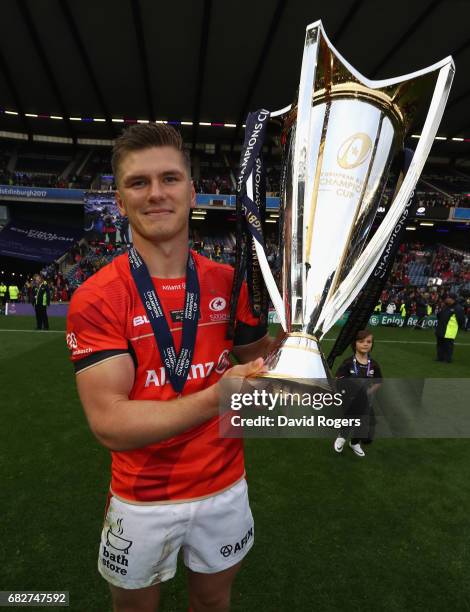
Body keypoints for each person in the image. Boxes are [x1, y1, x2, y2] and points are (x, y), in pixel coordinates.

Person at [66, 123, 271, 612]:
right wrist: (216, 397)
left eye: (170, 178)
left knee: (213, 603)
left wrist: (300, 337)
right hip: (141, 500)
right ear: (120, 200)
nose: (156, 193)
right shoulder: (97, 297)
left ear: (192, 191)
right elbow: (111, 423)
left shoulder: (230, 281)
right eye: (139, 183)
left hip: (224, 488)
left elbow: (262, 365)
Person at [333, 330, 383, 458]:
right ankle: (341, 438)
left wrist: (368, 392)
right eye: (361, 341)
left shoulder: (373, 365)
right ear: (355, 344)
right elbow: (338, 380)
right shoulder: (348, 362)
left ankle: (355, 443)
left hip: (365, 399)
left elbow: (378, 382)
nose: (365, 344)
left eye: (369, 342)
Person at [435, 293, 465, 363]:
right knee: (440, 344)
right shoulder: (445, 306)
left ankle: (447, 359)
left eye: (448, 297)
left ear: (452, 299)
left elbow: (461, 319)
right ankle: (440, 357)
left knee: (448, 345)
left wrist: (459, 327)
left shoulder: (458, 308)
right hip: (441, 328)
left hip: (449, 330)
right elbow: (439, 315)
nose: (446, 299)